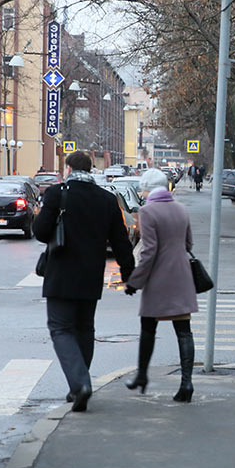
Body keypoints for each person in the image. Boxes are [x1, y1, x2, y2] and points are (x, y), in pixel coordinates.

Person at [33, 150, 135, 412]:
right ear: (90, 169)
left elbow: (42, 233)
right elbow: (122, 241)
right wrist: (128, 274)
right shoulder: (106, 199)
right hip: (91, 276)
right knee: (84, 329)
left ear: (68, 168)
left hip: (61, 275)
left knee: (61, 329)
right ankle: (78, 386)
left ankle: (80, 384)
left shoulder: (57, 194)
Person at [123, 168, 197, 402]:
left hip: (158, 278)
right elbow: (188, 243)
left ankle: (142, 376)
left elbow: (148, 251)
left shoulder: (148, 211)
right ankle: (186, 383)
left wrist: (134, 281)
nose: (142, 192)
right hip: (182, 275)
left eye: (143, 188)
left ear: (148, 188)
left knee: (148, 328)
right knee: (184, 331)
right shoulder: (181, 209)